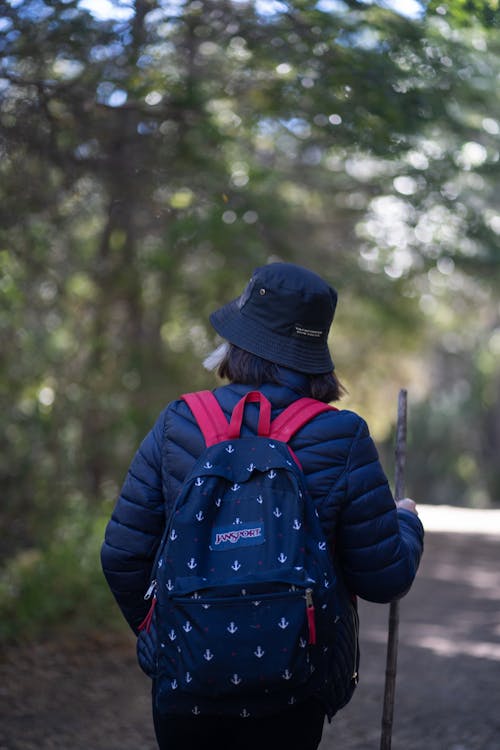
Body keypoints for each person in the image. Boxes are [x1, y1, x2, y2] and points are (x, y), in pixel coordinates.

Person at [101, 261, 424, 750]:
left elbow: (123, 555)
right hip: (292, 689)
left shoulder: (178, 424)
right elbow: (384, 577)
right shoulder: (342, 436)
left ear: (238, 341)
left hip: (186, 684)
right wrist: (406, 521)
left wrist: (166, 637)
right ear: (315, 352)